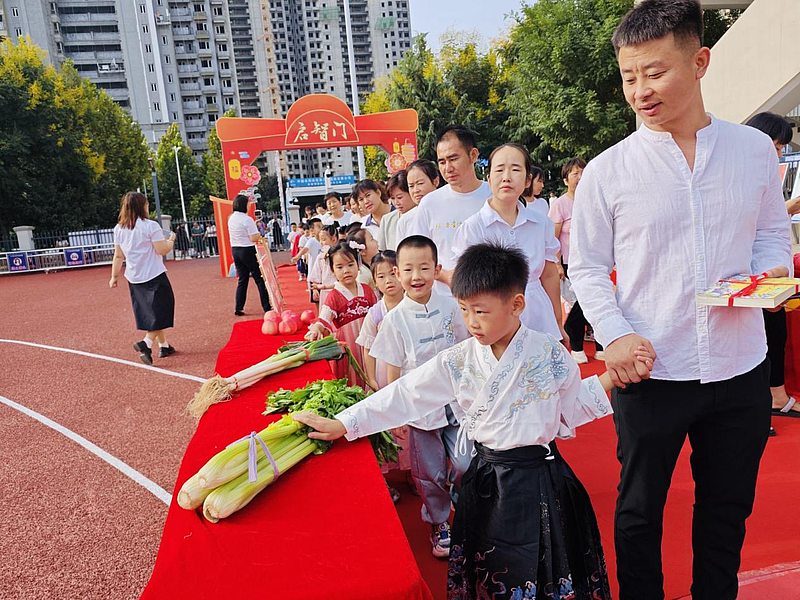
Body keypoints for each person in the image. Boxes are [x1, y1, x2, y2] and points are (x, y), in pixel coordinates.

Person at [569, 2, 792, 598]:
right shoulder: (608, 172)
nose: (640, 91)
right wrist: (613, 334)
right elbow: (585, 266)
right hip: (650, 370)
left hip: (738, 367)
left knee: (727, 511)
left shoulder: (751, 152)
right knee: (639, 512)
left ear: (700, 62)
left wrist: (769, 276)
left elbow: (772, 232)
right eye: (629, 77)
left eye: (655, 73)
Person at [295, 243, 655, 598]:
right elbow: (406, 392)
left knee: (547, 571)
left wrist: (613, 375)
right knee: (493, 572)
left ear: (516, 305)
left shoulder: (548, 352)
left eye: (480, 312)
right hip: (486, 482)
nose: (471, 322)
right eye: (464, 310)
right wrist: (346, 423)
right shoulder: (460, 359)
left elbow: (569, 409)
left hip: (541, 480)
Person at [368, 235, 471, 558]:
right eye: (409, 269)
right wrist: (393, 413)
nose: (417, 277)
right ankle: (438, 521)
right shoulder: (395, 319)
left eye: (424, 268)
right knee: (429, 472)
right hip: (420, 408)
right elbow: (391, 371)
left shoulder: (452, 304)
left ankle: (464, 503)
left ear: (436, 269)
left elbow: (469, 346)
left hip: (457, 401)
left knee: (468, 461)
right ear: (397, 273)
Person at [449, 144, 564, 342]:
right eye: (499, 169)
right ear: (489, 178)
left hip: (538, 315)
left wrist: (558, 321)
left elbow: (549, 274)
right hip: (494, 320)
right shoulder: (473, 227)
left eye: (516, 169)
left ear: (528, 179)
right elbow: (465, 285)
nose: (507, 177)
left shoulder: (541, 223)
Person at [408, 125, 491, 296]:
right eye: (442, 161)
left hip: (490, 298)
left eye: (453, 159)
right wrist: (446, 276)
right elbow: (418, 253)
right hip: (444, 299)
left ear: (473, 155)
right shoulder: (429, 203)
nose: (447, 168)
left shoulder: (494, 197)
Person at [355, 250, 409, 503]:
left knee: (411, 422)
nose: (389, 280)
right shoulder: (375, 313)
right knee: (386, 424)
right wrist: (372, 380)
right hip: (383, 375)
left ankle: (414, 472)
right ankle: (386, 477)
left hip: (409, 373)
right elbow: (367, 347)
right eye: (381, 276)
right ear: (374, 282)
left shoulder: (414, 305)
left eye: (393, 273)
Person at [110, 191, 177, 365]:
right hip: (154, 274)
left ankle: (164, 345)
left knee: (152, 312)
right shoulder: (150, 226)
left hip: (134, 277)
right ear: (142, 206)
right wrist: (171, 241)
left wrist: (114, 276)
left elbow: (118, 256)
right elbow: (161, 250)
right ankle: (146, 343)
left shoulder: (119, 229)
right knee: (162, 310)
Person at [549, 157, 604, 363]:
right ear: (566, 180)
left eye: (583, 172)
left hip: (592, 261)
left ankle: (595, 345)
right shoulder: (560, 205)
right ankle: (577, 342)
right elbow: (552, 239)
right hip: (568, 264)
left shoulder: (592, 201)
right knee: (582, 303)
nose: (580, 177)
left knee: (592, 300)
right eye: (575, 174)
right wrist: (556, 264)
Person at [305, 241, 378, 387]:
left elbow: (378, 314)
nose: (346, 270)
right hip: (349, 350)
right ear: (332, 270)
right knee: (352, 382)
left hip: (369, 345)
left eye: (350, 265)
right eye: (340, 267)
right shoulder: (334, 295)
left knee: (373, 377)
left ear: (358, 264)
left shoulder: (367, 290)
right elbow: (323, 319)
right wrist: (315, 329)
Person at [228, 194, 272, 317]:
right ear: (244, 205)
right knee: (259, 278)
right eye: (248, 204)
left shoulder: (231, 218)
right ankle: (266, 306)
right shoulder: (247, 219)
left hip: (235, 249)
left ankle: (239, 307)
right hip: (247, 249)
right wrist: (259, 234)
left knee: (242, 279)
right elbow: (253, 237)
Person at [397, 159, 441, 246]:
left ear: (436, 181)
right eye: (411, 186)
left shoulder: (449, 209)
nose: (416, 190)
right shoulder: (405, 220)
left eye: (420, 183)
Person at [379, 170, 413, 251]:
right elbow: (382, 251)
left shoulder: (424, 215)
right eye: (393, 198)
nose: (396, 203)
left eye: (400, 197)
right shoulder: (387, 220)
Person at [353, 179, 393, 245]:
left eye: (368, 195)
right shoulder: (364, 226)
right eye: (361, 199)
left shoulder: (399, 213)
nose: (366, 201)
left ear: (378, 193)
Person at [308, 224, 339, 307]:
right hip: (325, 292)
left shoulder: (341, 255)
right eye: (320, 240)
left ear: (334, 239)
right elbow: (316, 274)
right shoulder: (320, 257)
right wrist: (315, 290)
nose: (321, 243)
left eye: (324, 239)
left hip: (339, 290)